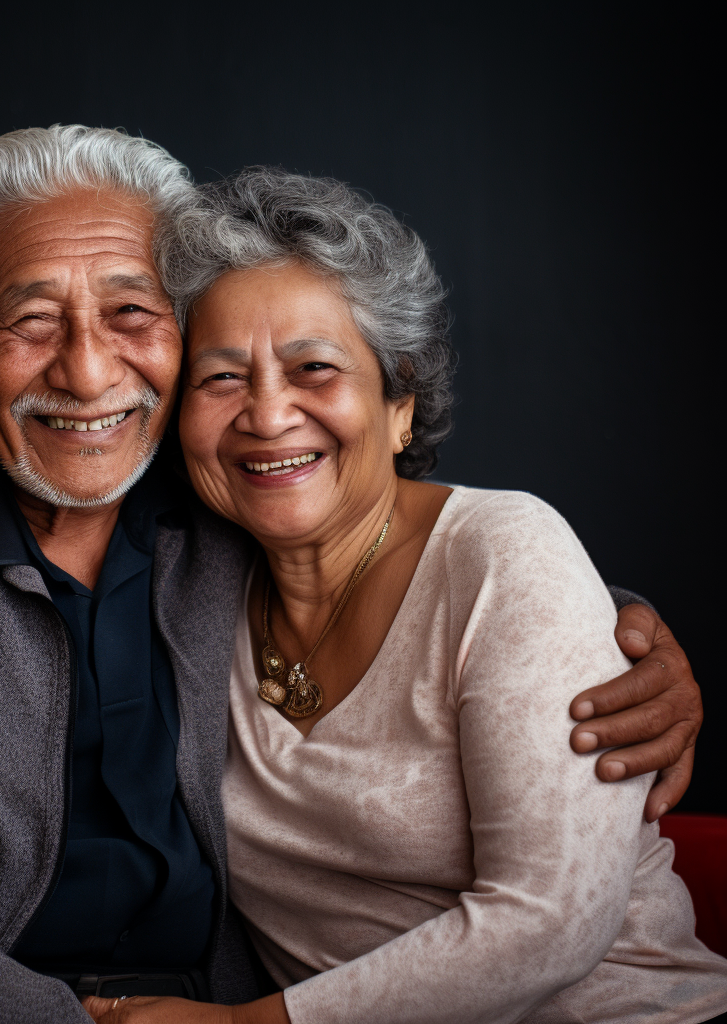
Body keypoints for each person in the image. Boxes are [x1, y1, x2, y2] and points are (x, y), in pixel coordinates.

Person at [0, 128, 705, 1023]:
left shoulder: (214, 507)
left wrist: (610, 630)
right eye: (30, 319)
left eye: (128, 313)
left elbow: (435, 564)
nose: (85, 373)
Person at [75, 169, 727, 1023]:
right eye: (221, 378)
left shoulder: (503, 554)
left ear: (400, 404)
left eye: (314, 367)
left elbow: (552, 921)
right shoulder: (186, 584)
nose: (268, 415)